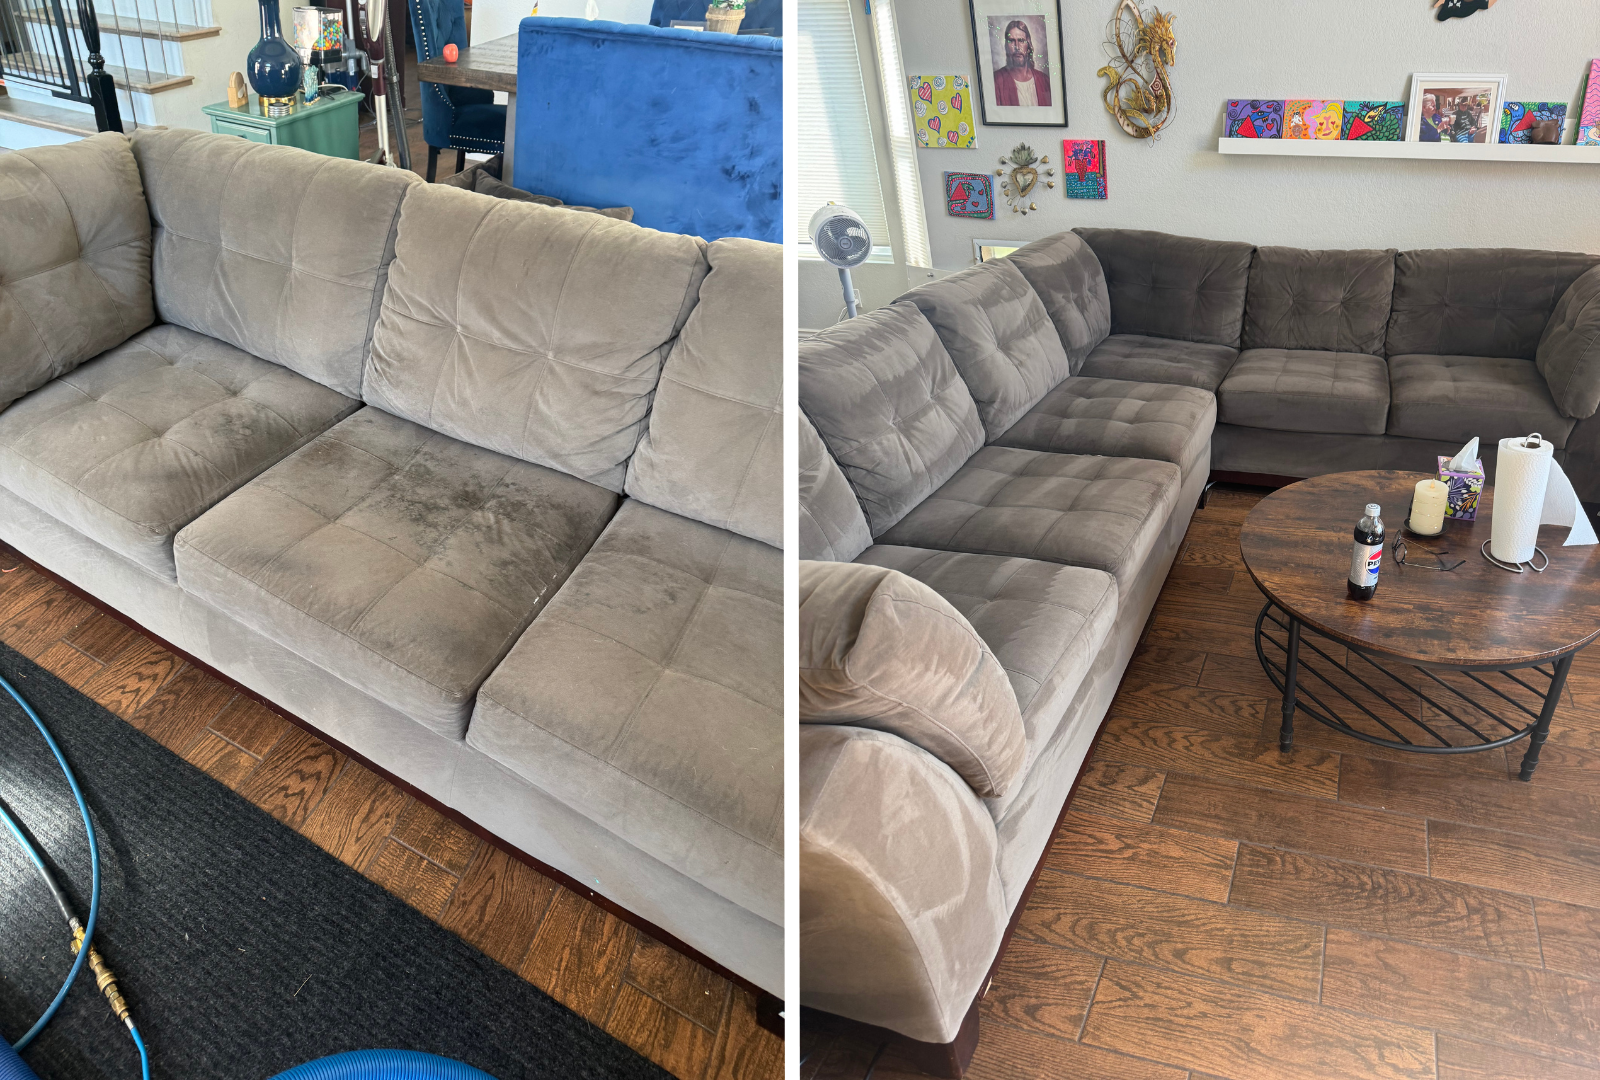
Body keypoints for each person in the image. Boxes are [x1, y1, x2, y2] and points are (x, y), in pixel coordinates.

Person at [992, 19, 1051, 107]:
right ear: (1006, 46)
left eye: (1021, 40)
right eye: (1011, 41)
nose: (1017, 46)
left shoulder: (1044, 80)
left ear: (1028, 45)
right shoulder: (996, 81)